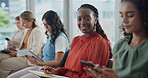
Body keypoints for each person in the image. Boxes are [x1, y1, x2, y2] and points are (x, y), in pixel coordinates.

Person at [42, 4, 111, 78]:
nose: (83, 22)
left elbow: (91, 75)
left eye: (87, 18)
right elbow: (67, 69)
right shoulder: (76, 40)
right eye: (79, 19)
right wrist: (56, 71)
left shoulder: (100, 43)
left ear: (95, 20)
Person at [85, 0, 148, 78]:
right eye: (122, 16)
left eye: (130, 15)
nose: (124, 21)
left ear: (145, 15)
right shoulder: (119, 45)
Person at [7, 10, 69, 78]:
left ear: (54, 24)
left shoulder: (60, 38)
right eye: (44, 24)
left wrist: (39, 63)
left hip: (50, 70)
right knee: (10, 77)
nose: (45, 27)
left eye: (47, 24)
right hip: (42, 66)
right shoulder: (51, 35)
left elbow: (58, 61)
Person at [0, 11, 45, 78]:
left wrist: (17, 54)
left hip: (29, 60)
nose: (22, 24)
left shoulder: (37, 31)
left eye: (24, 22)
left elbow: (33, 52)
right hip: (22, 55)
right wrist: (15, 49)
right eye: (21, 22)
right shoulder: (26, 30)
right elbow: (24, 47)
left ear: (31, 21)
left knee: (3, 64)